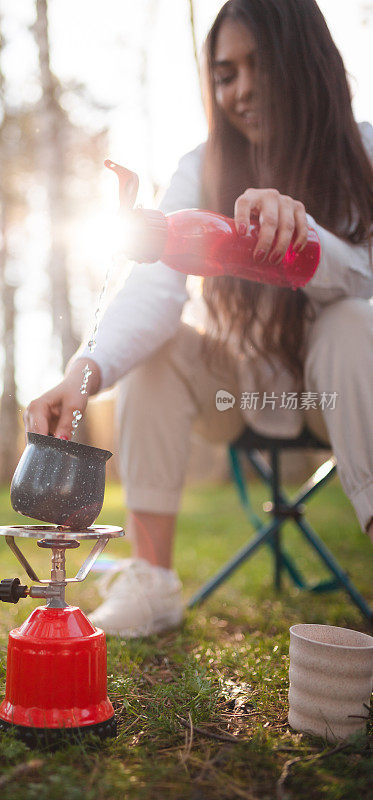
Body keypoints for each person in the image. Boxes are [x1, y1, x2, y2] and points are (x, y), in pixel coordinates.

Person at [24, 0, 373, 636]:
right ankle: (152, 581)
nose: (242, 90)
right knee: (159, 345)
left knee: (353, 321)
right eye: (225, 72)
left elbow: (366, 278)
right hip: (233, 390)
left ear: (309, 60)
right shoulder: (200, 166)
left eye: (260, 65)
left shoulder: (365, 150)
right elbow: (155, 285)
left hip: (340, 390)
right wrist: (85, 368)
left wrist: (305, 241)